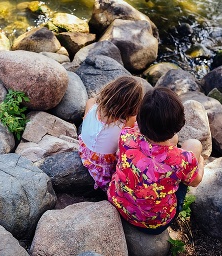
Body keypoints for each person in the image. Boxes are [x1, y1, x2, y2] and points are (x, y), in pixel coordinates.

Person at [108, 87, 205, 235]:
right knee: (194, 145)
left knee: (174, 143)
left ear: (140, 119)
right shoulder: (182, 160)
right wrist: (200, 161)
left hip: (119, 205)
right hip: (155, 223)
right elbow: (195, 181)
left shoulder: (126, 136)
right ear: (179, 123)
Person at [78, 76, 144, 191]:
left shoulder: (92, 104)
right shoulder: (126, 122)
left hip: (85, 151)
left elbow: (91, 106)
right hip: (103, 165)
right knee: (138, 129)